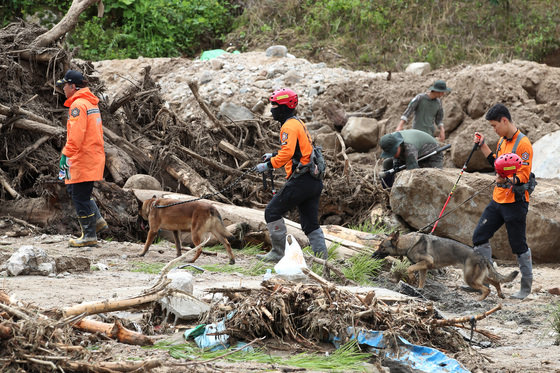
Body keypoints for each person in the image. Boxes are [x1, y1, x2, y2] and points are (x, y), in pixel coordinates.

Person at [254, 88, 327, 263]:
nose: (272, 110)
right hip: (313, 182)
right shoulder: (297, 122)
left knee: (272, 212)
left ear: (284, 108)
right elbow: (298, 151)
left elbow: (286, 153)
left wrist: (268, 165)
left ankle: (278, 253)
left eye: (275, 106)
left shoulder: (288, 126)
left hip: (302, 181)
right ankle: (322, 260)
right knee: (310, 224)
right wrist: (273, 155)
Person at [472, 103, 533, 299]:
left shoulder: (523, 145)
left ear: (504, 120)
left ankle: (525, 288)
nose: (494, 129)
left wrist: (506, 180)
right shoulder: (501, 141)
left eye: (494, 125)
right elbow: (497, 164)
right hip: (497, 200)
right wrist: (483, 145)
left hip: (516, 202)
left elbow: (523, 176)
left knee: (518, 245)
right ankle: (485, 281)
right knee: (479, 237)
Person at [56, 70, 107, 247]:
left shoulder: (78, 106)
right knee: (77, 192)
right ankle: (98, 221)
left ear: (72, 86)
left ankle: (89, 236)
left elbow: (76, 136)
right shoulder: (89, 102)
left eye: (64, 85)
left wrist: (65, 155)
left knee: (79, 196)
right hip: (91, 155)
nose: (62, 88)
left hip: (82, 157)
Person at [379, 129, 443, 187]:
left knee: (433, 181)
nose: (392, 155)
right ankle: (388, 190)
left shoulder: (410, 148)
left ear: (398, 145)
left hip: (431, 155)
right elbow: (396, 156)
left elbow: (414, 174)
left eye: (393, 152)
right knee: (387, 163)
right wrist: (396, 163)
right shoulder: (390, 140)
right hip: (413, 153)